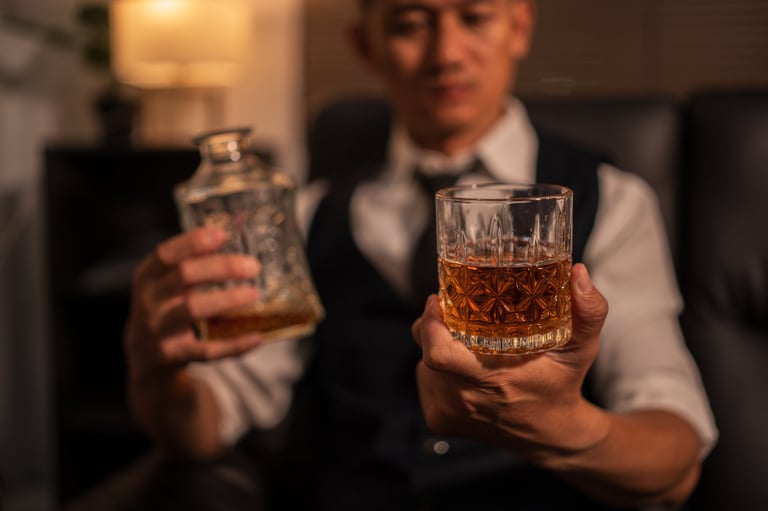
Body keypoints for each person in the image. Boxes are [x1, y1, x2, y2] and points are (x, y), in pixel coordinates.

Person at [119, 0, 718, 510]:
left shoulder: (612, 200)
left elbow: (677, 453)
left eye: (475, 17)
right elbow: (208, 423)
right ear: (365, 45)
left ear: (520, 26)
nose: (447, 54)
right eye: (411, 23)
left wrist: (564, 429)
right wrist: (153, 367)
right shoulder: (307, 215)